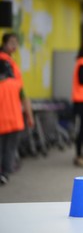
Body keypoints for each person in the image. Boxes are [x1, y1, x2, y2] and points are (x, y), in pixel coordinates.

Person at [0, 33, 34, 183]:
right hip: (9, 117)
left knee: (7, 148)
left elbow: (23, 95)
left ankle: (5, 173)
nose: (14, 46)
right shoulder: (6, 65)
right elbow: (23, 95)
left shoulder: (12, 66)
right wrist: (29, 114)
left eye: (16, 42)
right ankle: (5, 173)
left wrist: (28, 113)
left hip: (10, 117)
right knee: (7, 148)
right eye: (11, 42)